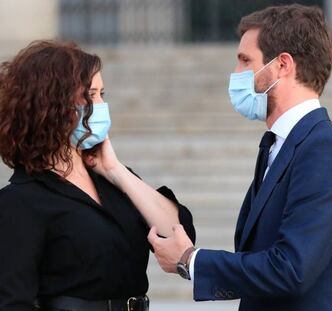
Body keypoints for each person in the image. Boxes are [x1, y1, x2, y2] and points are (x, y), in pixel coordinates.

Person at [148, 4, 332, 311]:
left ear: (282, 65)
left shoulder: (326, 150)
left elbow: (291, 269)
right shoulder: (279, 145)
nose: (236, 74)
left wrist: (191, 260)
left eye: (244, 61)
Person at [0, 40, 195, 311]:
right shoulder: (20, 200)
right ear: (51, 105)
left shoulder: (112, 179)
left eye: (102, 93)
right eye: (90, 95)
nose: (101, 105)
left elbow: (179, 232)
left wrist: (116, 171)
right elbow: (13, 301)